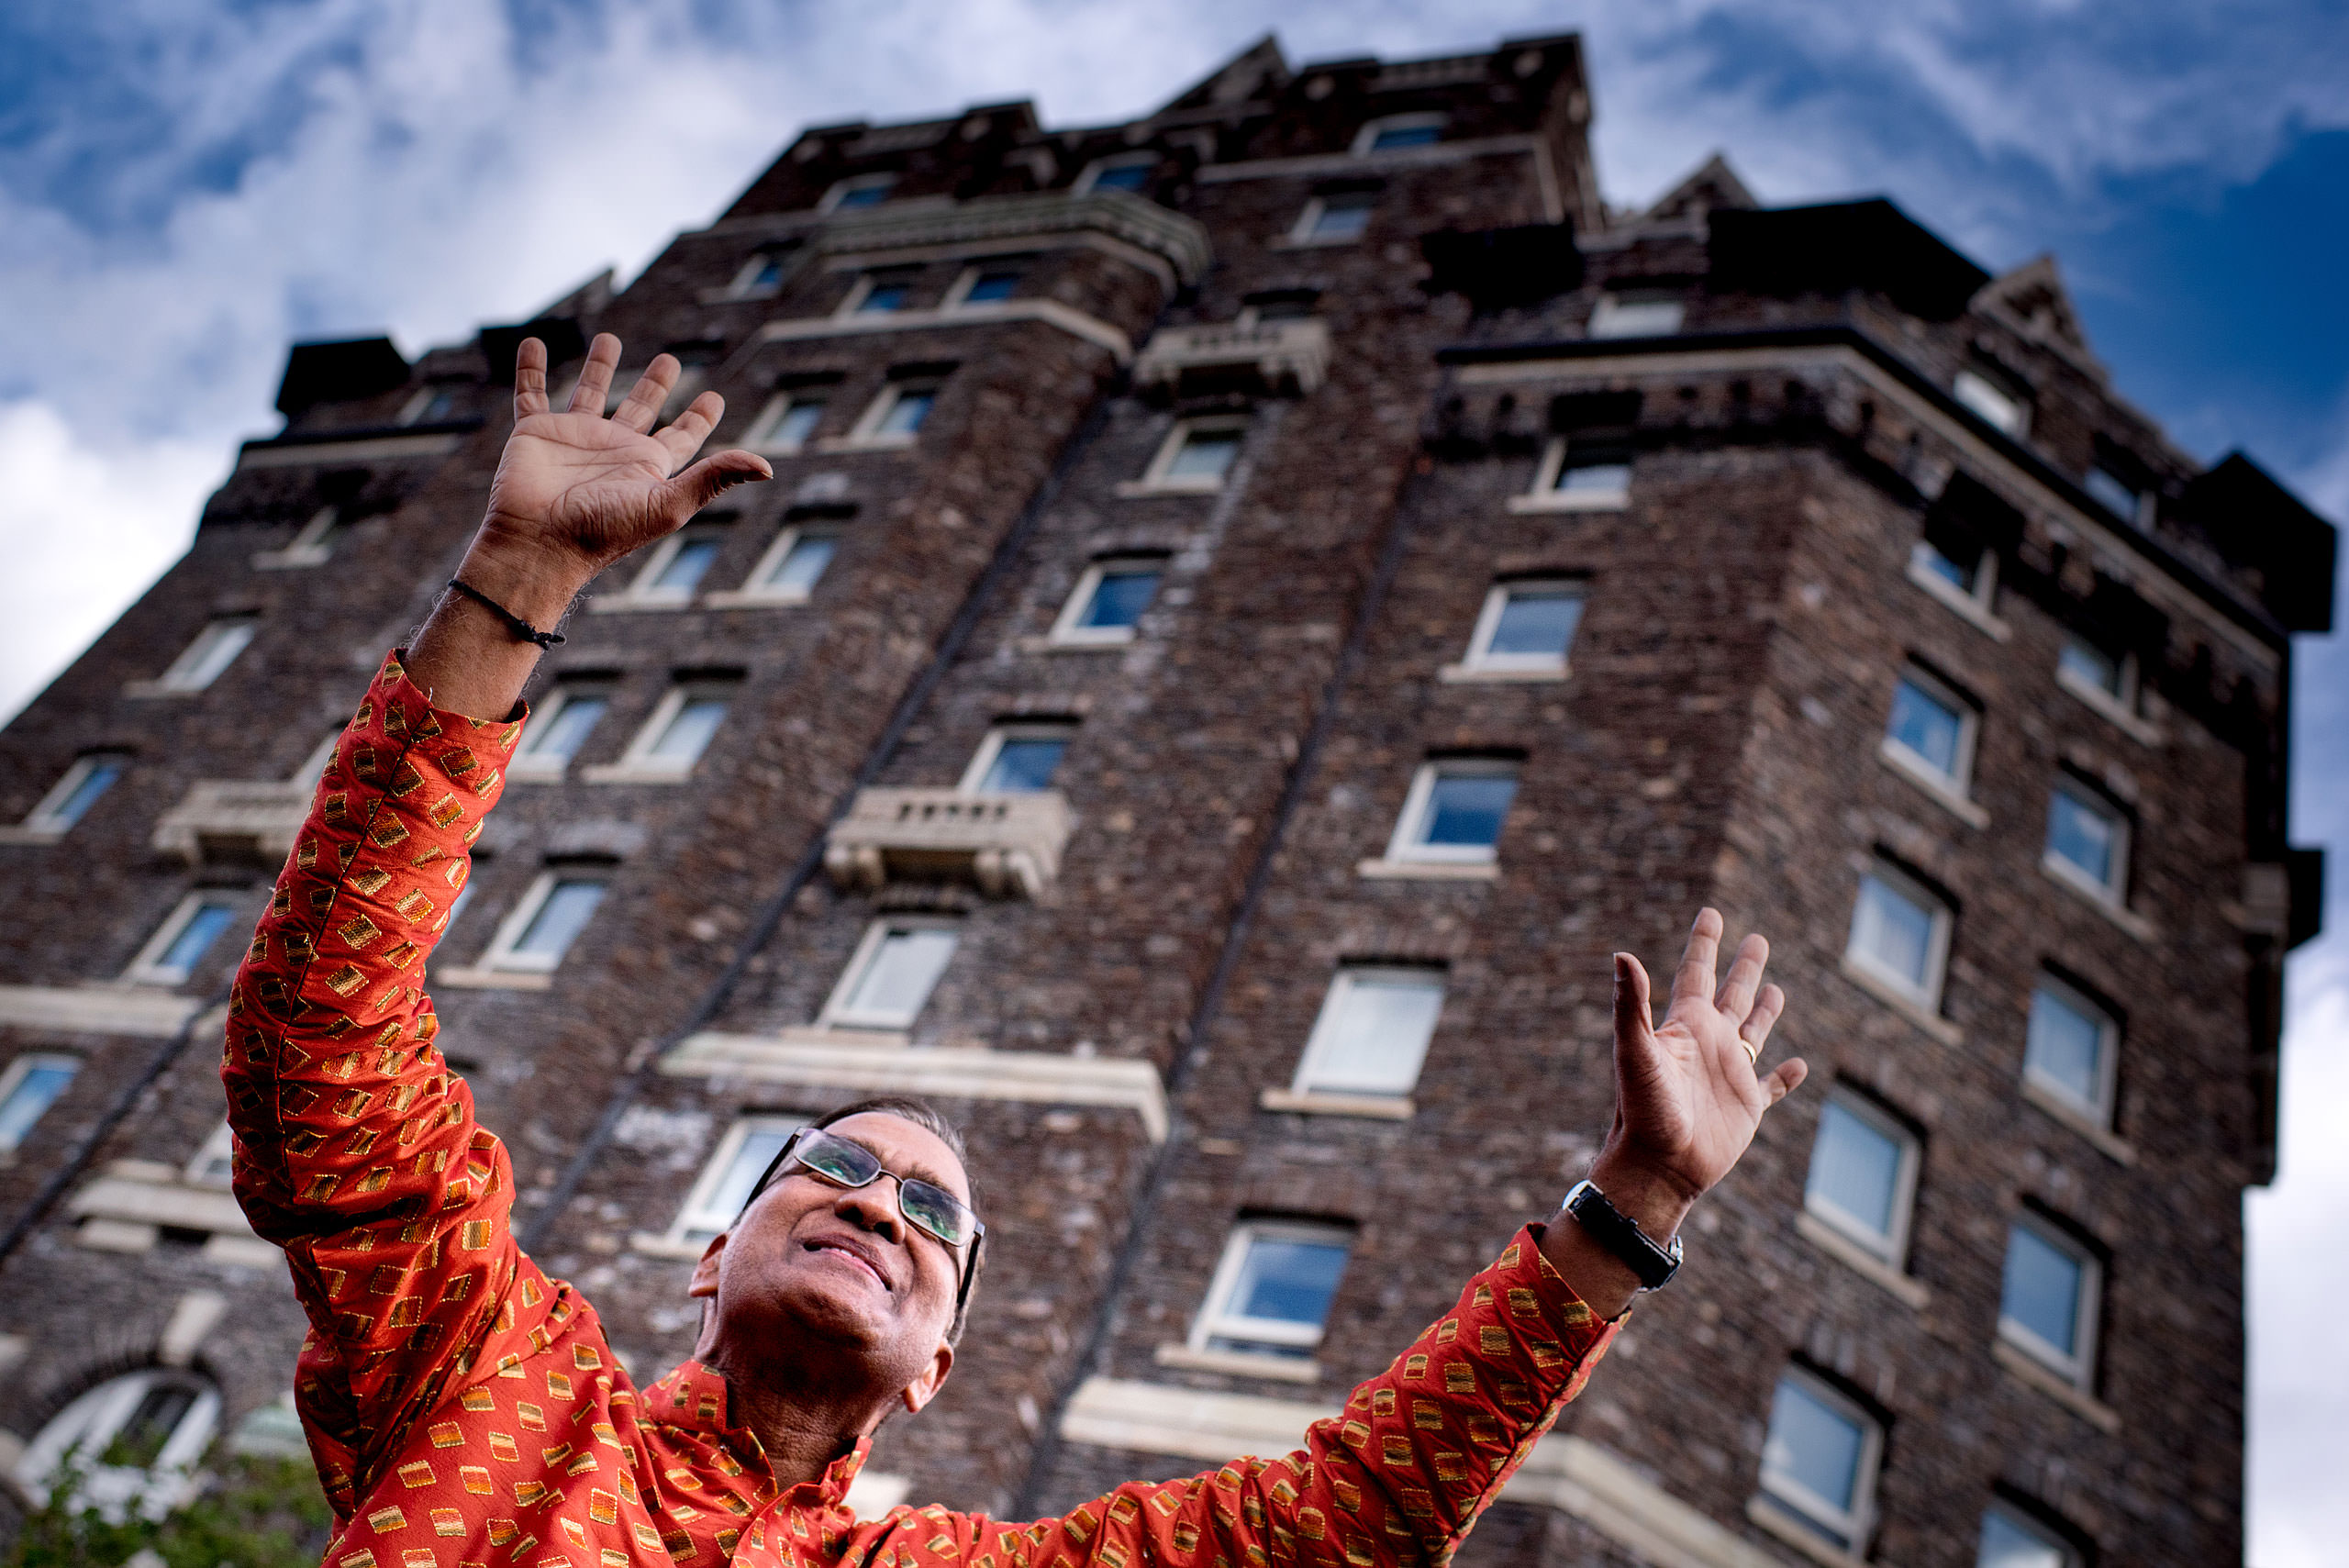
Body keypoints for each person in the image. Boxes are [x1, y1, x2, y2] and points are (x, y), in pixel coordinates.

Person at [224, 335, 1806, 1566]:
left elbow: (1341, 1525)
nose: (877, 1201)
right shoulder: (495, 1378)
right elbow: (325, 1049)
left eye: (930, 1211)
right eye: (833, 1166)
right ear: (711, 1260)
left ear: (938, 1362)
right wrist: (519, 582)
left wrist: (1638, 1203)